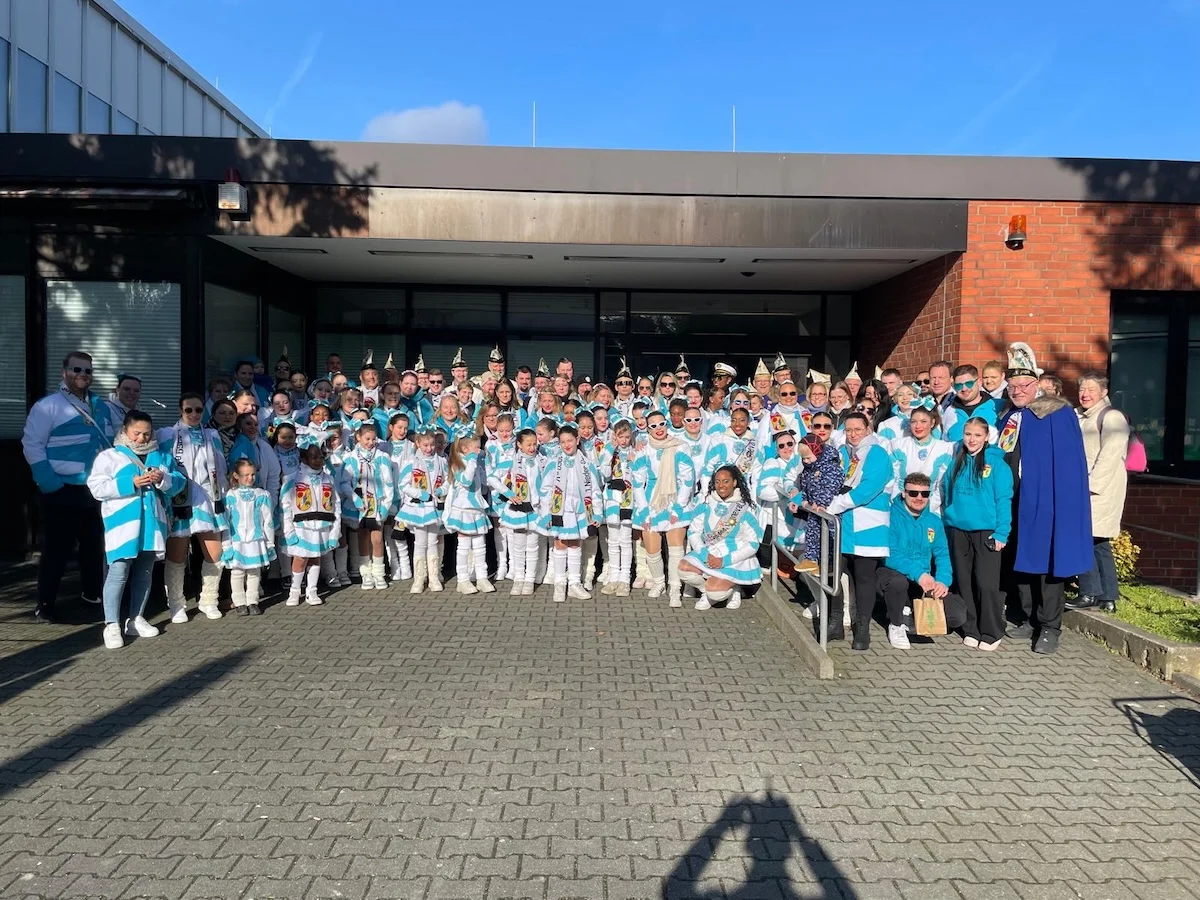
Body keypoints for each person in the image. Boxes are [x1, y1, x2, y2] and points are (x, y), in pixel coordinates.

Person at [994, 342, 1093, 654]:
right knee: (1021, 561)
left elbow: (1069, 465)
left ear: (1036, 384)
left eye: (1024, 385)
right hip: (1013, 500)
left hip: (1047, 501)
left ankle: (1050, 626)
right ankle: (1026, 617)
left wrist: (1063, 505)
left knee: (1048, 564)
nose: (1017, 391)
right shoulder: (1008, 416)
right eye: (1012, 386)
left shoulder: (1056, 413)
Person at [23, 351, 113, 622]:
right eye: (77, 369)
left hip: (94, 490)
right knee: (56, 551)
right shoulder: (48, 406)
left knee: (93, 549)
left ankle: (92, 597)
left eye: (88, 371)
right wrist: (50, 484)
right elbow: (32, 445)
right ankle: (45, 605)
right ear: (65, 372)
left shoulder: (101, 406)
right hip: (62, 489)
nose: (82, 375)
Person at [87, 410, 186, 649]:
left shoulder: (161, 456)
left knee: (145, 571)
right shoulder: (110, 456)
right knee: (118, 571)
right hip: (122, 525)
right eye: (136, 433)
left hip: (152, 524)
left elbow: (179, 483)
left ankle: (136, 618)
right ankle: (111, 624)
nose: (142, 438)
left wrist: (162, 479)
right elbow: (96, 487)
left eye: (147, 434)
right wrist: (129, 483)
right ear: (125, 430)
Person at [876, 473, 970, 651]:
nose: (919, 498)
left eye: (924, 494)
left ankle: (910, 616)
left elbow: (942, 555)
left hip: (923, 582)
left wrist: (942, 581)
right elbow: (889, 555)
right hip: (894, 574)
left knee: (957, 615)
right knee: (898, 583)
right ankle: (896, 624)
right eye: (913, 493)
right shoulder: (890, 516)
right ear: (904, 493)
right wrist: (918, 574)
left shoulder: (934, 521)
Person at [942, 418, 1013, 649]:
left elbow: (1003, 500)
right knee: (965, 582)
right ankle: (971, 628)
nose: (972, 440)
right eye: (968, 434)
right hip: (958, 530)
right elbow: (946, 493)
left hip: (987, 532)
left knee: (986, 583)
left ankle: (992, 630)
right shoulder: (956, 462)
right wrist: (948, 520)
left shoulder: (997, 465)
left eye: (977, 435)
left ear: (986, 437)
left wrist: (1002, 532)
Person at [158, 393, 229, 623]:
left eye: (198, 410)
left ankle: (208, 599)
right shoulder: (167, 434)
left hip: (207, 497)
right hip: (181, 496)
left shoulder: (211, 435)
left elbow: (220, 467)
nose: (194, 414)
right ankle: (176, 604)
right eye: (189, 410)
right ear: (181, 410)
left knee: (215, 553)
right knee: (177, 555)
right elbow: (163, 466)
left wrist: (223, 497)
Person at [825, 412, 893, 649]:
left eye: (858, 430)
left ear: (868, 430)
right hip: (843, 525)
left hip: (868, 525)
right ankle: (835, 622)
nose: (853, 434)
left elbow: (868, 488)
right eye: (849, 430)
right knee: (833, 572)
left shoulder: (878, 453)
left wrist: (836, 504)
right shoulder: (843, 453)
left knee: (864, 578)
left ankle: (862, 629)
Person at [1068, 372, 1129, 613]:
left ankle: (1089, 592)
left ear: (1104, 392)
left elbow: (1110, 456)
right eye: (1082, 389)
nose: (1085, 394)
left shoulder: (1111, 417)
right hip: (1088, 488)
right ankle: (1108, 597)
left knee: (1084, 539)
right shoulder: (1081, 416)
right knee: (1098, 543)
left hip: (1098, 490)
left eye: (1091, 390)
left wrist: (1090, 486)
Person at [632, 411, 696, 606]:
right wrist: (643, 509)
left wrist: (678, 507)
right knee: (652, 548)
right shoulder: (644, 450)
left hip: (675, 498)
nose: (658, 429)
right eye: (653, 426)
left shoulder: (681, 446)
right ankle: (659, 582)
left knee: (676, 546)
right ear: (648, 429)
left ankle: (675, 587)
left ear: (667, 424)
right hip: (652, 502)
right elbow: (637, 482)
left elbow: (688, 479)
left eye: (661, 424)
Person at [679, 465, 764, 610]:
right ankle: (705, 592)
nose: (721, 486)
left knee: (716, 593)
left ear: (734, 482)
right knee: (683, 569)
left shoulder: (745, 508)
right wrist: (705, 554)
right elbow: (693, 532)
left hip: (734, 558)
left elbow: (753, 544)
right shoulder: (707, 504)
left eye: (726, 481)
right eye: (717, 481)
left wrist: (725, 560)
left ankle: (734, 588)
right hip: (710, 553)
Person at [537, 423, 603, 603]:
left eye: (570, 441)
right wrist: (546, 513)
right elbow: (545, 489)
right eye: (563, 442)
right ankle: (559, 583)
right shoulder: (553, 463)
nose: (567, 445)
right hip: (560, 510)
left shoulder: (587, 464)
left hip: (580, 511)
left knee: (575, 544)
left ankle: (574, 583)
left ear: (577, 440)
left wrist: (597, 513)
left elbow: (595, 491)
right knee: (560, 543)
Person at [280, 435, 341, 606]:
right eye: (313, 457)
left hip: (322, 526)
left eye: (320, 457)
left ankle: (312, 591)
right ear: (304, 458)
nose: (318, 461)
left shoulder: (328, 479)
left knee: (315, 558)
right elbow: (285, 507)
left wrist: (334, 533)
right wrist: (288, 531)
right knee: (300, 558)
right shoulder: (291, 479)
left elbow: (336, 506)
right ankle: (294, 591)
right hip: (301, 526)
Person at [339, 419, 397, 590]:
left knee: (377, 539)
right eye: (367, 439)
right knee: (362, 537)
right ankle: (366, 573)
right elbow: (344, 482)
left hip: (376, 504)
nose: (371, 442)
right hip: (359, 505)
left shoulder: (382, 457)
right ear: (358, 437)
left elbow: (388, 483)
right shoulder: (350, 458)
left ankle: (379, 573)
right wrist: (355, 498)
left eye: (373, 439)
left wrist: (385, 505)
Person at [221, 458, 276, 617]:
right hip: (237, 540)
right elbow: (226, 522)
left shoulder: (262, 495)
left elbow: (268, 521)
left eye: (252, 474)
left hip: (256, 540)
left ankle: (253, 601)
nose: (250, 478)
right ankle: (239, 602)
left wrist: (269, 543)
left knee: (254, 572)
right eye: (246, 475)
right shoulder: (230, 496)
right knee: (237, 572)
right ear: (236, 476)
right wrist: (226, 545)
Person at [397, 426, 448, 593]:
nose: (429, 448)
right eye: (425, 445)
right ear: (418, 443)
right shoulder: (411, 462)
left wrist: (442, 490)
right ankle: (419, 578)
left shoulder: (441, 461)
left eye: (432, 445)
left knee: (433, 541)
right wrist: (419, 493)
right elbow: (403, 484)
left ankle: (433, 577)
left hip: (434, 507)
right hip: (418, 507)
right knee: (420, 542)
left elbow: (448, 481)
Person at [494, 427, 543, 596]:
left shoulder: (541, 461)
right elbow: (492, 477)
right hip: (518, 509)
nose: (532, 448)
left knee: (533, 545)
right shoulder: (512, 461)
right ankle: (518, 579)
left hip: (535, 509)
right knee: (518, 545)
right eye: (528, 444)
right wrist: (508, 493)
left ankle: (529, 579)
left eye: (534, 444)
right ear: (519, 445)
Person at [443, 435, 494, 594]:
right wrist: (472, 461)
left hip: (477, 508)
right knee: (464, 546)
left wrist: (485, 464)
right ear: (465, 449)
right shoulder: (458, 464)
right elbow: (466, 480)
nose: (479, 450)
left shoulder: (475, 463)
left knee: (480, 545)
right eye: (476, 448)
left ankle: (481, 577)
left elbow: (483, 483)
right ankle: (463, 580)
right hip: (463, 508)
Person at [793, 424, 845, 575]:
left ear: (817, 452)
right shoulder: (809, 468)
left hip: (827, 509)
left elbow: (831, 486)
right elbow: (805, 485)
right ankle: (812, 560)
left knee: (829, 537)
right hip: (814, 508)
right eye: (803, 458)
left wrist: (822, 503)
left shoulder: (831, 467)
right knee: (813, 534)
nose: (806, 461)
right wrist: (804, 499)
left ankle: (828, 564)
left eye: (808, 457)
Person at [889, 406, 953, 513]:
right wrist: (902, 506)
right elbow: (892, 479)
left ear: (932, 423)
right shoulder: (898, 445)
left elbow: (942, 486)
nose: (918, 426)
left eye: (923, 421)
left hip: (930, 509)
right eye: (913, 421)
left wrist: (927, 509)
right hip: (900, 508)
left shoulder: (944, 449)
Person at [600, 418, 638, 596]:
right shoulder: (609, 451)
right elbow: (605, 474)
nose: (623, 440)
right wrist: (609, 452)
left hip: (629, 499)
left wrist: (633, 461)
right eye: (620, 437)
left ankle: (625, 579)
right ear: (614, 436)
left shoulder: (635, 451)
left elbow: (639, 476)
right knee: (613, 540)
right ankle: (613, 577)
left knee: (626, 540)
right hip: (613, 499)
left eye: (627, 437)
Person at [942, 365, 1000, 442]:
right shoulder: (950, 411)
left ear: (979, 382)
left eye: (969, 384)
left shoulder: (998, 406)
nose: (964, 389)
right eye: (959, 385)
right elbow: (945, 443)